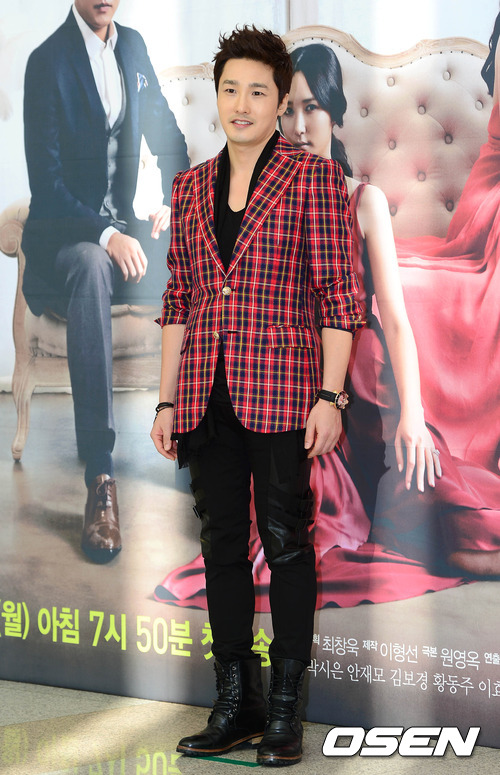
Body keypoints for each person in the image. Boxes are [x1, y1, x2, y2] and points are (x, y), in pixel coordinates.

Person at [155, 35, 500, 612]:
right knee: (305, 526)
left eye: (311, 108)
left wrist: (412, 416)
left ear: (335, 114)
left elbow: (395, 319)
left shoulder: (362, 200)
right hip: (292, 392)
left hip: (367, 395)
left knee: (452, 525)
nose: (298, 124)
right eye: (287, 109)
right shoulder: (258, 201)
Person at [150, 26, 363, 767]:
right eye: (230, 89)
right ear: (217, 96)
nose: (241, 104)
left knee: (286, 542)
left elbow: (340, 296)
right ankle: (234, 701)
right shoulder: (189, 187)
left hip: (282, 392)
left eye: (258, 92)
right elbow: (179, 299)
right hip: (204, 393)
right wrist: (166, 401)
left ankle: (282, 710)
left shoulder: (312, 179)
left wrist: (330, 395)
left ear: (279, 103)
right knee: (220, 545)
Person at [22, 0, 189, 563]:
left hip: (123, 234)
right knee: (94, 264)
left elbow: (168, 136)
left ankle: (201, 443)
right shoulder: (47, 62)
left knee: (201, 248)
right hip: (65, 242)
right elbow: (46, 185)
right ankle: (100, 476)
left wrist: (176, 201)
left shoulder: (133, 46)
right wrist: (105, 234)